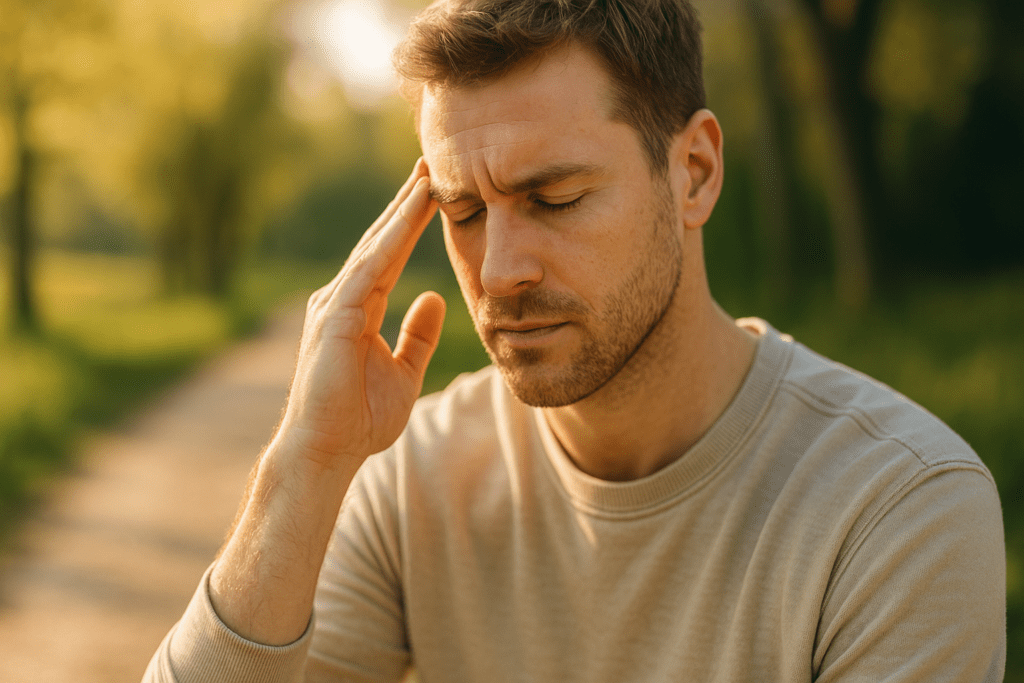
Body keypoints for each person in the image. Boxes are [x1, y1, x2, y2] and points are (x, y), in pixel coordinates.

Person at [143, 0, 1006, 681]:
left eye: (555, 198)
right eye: (465, 212)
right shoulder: (417, 480)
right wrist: (306, 463)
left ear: (693, 173)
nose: (501, 269)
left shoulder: (899, 506)